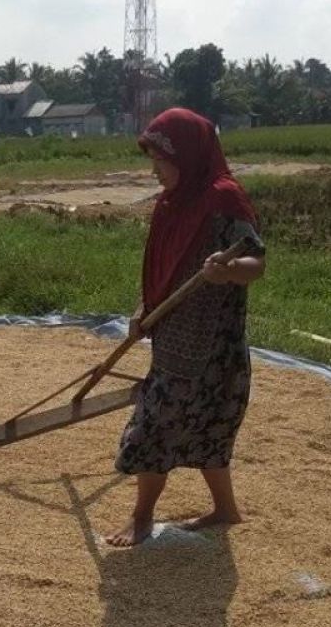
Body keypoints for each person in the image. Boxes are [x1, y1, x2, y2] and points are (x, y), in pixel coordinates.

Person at [104, 108, 266, 548]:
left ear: (189, 155)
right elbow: (162, 269)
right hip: (173, 338)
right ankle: (226, 511)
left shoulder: (223, 199)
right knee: (181, 421)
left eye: (161, 161)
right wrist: (142, 310)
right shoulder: (170, 204)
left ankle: (142, 517)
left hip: (215, 343)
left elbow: (256, 262)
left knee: (168, 424)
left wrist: (227, 270)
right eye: (152, 162)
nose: (155, 171)